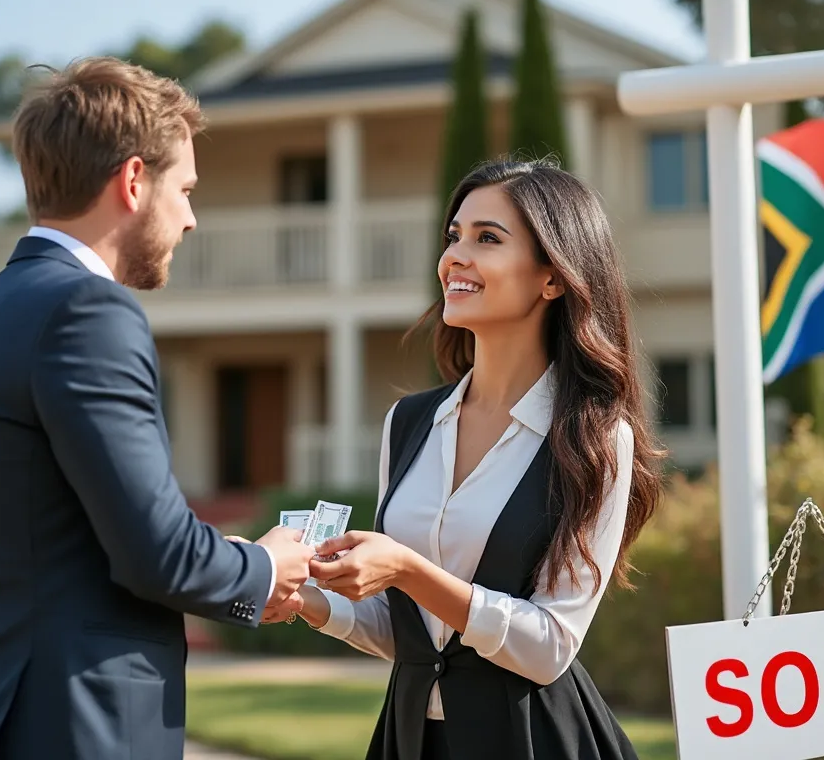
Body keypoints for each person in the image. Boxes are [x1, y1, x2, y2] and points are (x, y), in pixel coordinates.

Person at [0, 57, 314, 760]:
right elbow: (157, 554)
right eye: (183, 190)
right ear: (132, 182)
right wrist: (266, 568)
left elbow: (76, 540)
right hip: (64, 727)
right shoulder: (87, 311)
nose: (190, 218)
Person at [264, 158, 666, 760]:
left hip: (533, 741)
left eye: (487, 239)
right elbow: (415, 635)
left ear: (552, 278)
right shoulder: (408, 425)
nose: (455, 256)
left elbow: (550, 645)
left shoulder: (595, 438)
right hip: (412, 739)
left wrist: (406, 569)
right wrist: (310, 600)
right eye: (453, 236)